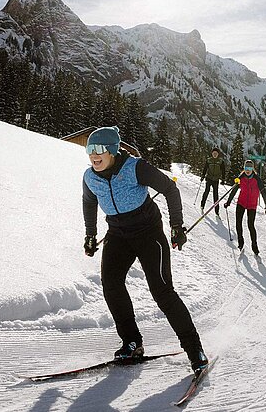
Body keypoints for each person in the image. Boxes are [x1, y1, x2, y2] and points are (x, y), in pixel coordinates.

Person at [81, 126, 208, 373]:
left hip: (148, 234)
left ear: (113, 150)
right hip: (118, 235)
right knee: (111, 284)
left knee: (163, 293)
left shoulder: (135, 168)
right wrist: (90, 235)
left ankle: (195, 350)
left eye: (99, 149)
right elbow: (88, 202)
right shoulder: (90, 177)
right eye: (89, 150)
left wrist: (176, 226)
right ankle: (132, 342)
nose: (93, 155)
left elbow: (170, 188)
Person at [224, 159, 266, 255]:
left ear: (252, 168)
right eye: (246, 168)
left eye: (249, 168)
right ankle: (240, 242)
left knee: (250, 225)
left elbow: (263, 192)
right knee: (238, 222)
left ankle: (254, 246)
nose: (247, 170)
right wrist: (228, 202)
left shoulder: (257, 179)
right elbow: (234, 190)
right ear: (244, 168)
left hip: (252, 205)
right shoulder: (241, 178)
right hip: (241, 202)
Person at [199, 147, 226, 216]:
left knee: (215, 195)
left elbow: (223, 171)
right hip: (209, 178)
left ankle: (217, 211)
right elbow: (205, 169)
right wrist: (203, 176)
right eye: (213, 153)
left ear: (218, 154)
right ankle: (202, 205)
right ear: (212, 153)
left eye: (216, 153)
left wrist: (223, 179)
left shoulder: (221, 161)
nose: (215, 154)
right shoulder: (209, 160)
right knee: (206, 192)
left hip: (216, 180)